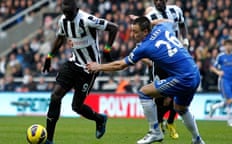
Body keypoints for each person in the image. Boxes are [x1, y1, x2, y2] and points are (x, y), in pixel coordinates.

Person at [87, 17, 205, 144]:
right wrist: (150, 22)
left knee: (144, 92)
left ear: (145, 32)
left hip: (183, 78)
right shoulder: (162, 28)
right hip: (194, 73)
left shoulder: (145, 47)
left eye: (136, 32)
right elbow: (168, 21)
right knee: (180, 108)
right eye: (132, 31)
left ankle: (155, 132)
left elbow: (120, 65)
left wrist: (98, 66)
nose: (133, 35)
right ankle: (197, 139)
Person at [42, 0, 118, 143]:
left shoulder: (87, 20)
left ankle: (100, 119)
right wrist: (49, 56)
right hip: (73, 63)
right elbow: (59, 38)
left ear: (76, 9)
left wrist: (107, 50)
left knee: (76, 107)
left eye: (69, 13)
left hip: (90, 68)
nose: (67, 15)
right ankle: (49, 140)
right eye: (64, 12)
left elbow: (113, 28)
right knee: (55, 96)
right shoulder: (63, 21)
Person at [130, 0, 189, 139]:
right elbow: (140, 44)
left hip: (175, 58)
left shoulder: (176, 11)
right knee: (159, 96)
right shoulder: (151, 16)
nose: (158, 2)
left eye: (160, 0)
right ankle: (160, 123)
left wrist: (185, 40)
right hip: (158, 62)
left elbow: (181, 25)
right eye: (155, 0)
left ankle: (170, 122)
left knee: (176, 92)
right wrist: (150, 60)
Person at [209, 39, 232, 127]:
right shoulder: (221, 56)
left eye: (230, 45)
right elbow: (213, 67)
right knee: (229, 100)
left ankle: (214, 107)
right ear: (225, 46)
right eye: (227, 45)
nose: (228, 46)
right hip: (224, 80)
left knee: (230, 100)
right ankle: (230, 121)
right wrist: (218, 72)